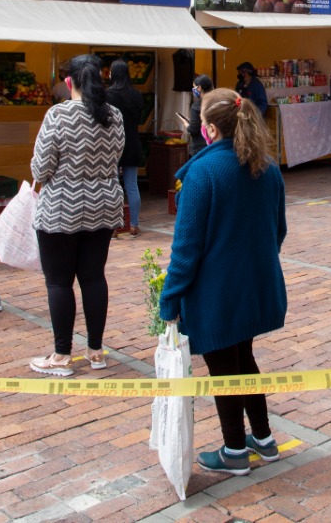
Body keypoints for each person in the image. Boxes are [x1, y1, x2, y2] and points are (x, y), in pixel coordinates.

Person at [158, 87, 287, 475]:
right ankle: (262, 439)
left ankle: (234, 451)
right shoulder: (268, 168)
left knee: (223, 370)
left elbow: (186, 250)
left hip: (216, 293)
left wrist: (169, 301)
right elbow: (277, 232)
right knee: (243, 357)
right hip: (254, 286)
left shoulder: (203, 173)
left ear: (211, 129)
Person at [29, 54, 125, 376]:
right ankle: (96, 352)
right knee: (94, 277)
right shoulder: (115, 116)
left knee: (59, 283)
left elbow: (41, 168)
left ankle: (61, 357)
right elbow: (117, 159)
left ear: (69, 82)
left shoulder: (58, 114)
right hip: (104, 205)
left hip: (60, 208)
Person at [105, 59, 144, 237]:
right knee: (132, 185)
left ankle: (113, 227)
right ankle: (134, 225)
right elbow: (139, 119)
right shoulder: (137, 95)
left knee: (113, 184)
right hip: (133, 142)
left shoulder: (107, 95)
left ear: (113, 73)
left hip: (112, 143)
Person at [187, 75, 215, 157]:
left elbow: (193, 129)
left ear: (199, 88)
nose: (193, 89)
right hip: (215, 146)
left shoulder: (196, 106)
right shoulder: (216, 102)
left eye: (194, 87)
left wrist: (187, 124)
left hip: (200, 148)